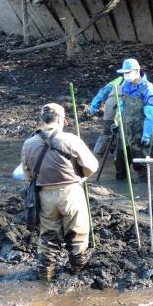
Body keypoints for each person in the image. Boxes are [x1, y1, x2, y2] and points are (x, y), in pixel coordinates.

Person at [21, 103, 99, 281]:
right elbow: (92, 166)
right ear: (62, 120)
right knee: (77, 234)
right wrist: (81, 176)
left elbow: (27, 174)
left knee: (48, 237)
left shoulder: (28, 143)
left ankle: (45, 277)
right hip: (70, 193)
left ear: (42, 120)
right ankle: (77, 274)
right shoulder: (70, 139)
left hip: (44, 196)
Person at [89, 75, 153, 156]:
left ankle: (97, 155)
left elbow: (103, 91)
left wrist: (94, 105)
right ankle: (120, 153)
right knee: (125, 136)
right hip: (125, 115)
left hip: (110, 112)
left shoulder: (118, 80)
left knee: (106, 133)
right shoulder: (145, 86)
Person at [112, 58, 153, 181]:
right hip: (125, 129)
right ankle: (120, 189)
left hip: (140, 131)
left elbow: (151, 114)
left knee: (140, 163)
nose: (125, 75)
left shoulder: (147, 88)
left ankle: (143, 192)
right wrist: (117, 122)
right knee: (120, 163)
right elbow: (121, 106)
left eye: (128, 72)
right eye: (124, 73)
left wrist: (147, 135)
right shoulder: (125, 85)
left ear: (137, 70)